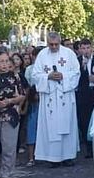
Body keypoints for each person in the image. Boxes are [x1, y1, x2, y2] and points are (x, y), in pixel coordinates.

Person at [31, 32, 80, 167]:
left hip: (65, 95)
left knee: (67, 124)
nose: (53, 47)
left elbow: (76, 72)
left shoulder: (69, 54)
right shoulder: (42, 55)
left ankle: (68, 156)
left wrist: (62, 75)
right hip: (49, 97)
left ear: (60, 42)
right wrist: (48, 76)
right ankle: (52, 158)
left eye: (56, 44)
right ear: (47, 43)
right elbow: (35, 75)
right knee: (50, 127)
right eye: (50, 44)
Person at [76, 39, 94, 159]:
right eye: (83, 48)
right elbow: (75, 78)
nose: (86, 51)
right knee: (84, 120)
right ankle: (88, 148)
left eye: (88, 48)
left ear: (92, 48)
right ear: (80, 49)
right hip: (83, 94)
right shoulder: (77, 61)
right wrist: (83, 69)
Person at [24, 49, 40, 167]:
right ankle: (31, 157)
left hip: (47, 101)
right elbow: (27, 86)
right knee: (32, 128)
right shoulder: (29, 69)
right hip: (33, 101)